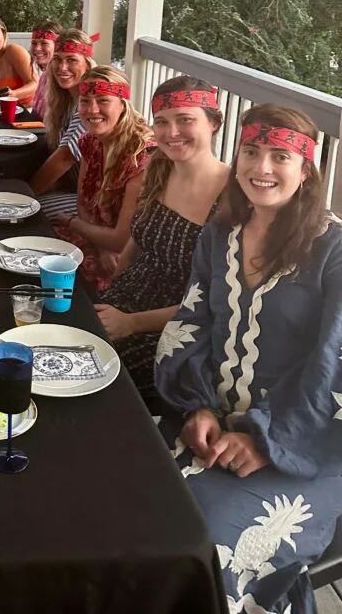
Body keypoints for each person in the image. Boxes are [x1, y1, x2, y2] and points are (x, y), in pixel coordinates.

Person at [155, 104, 342, 614]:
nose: (262, 168)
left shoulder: (333, 251)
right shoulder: (220, 236)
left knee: (204, 548)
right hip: (209, 423)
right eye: (251, 151)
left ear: (306, 170)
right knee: (124, 497)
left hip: (304, 446)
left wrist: (263, 439)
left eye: (280, 156)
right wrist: (195, 407)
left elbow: (334, 365)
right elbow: (192, 324)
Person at [93, 77, 229, 405]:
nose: (171, 133)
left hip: (176, 329)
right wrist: (107, 292)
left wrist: (131, 323)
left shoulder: (232, 197)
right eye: (162, 122)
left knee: (99, 381)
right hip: (123, 302)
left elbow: (215, 302)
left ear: (213, 122)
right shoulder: (159, 168)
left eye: (186, 120)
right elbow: (136, 240)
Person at [53, 66, 153, 292]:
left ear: (123, 104)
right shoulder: (91, 141)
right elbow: (83, 202)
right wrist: (99, 246)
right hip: (97, 242)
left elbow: (121, 240)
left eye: (103, 101)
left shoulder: (141, 155)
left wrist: (71, 222)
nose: (92, 109)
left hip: (129, 257)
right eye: (85, 101)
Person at [29, 29, 96, 217]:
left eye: (72, 60)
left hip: (95, 201)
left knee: (29, 210)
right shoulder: (64, 102)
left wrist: (26, 195)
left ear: (87, 64)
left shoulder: (91, 103)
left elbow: (65, 158)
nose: (62, 67)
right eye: (57, 59)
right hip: (72, 189)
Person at [29, 19, 64, 120]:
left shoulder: (63, 80)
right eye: (34, 43)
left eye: (44, 43)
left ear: (57, 46)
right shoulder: (44, 77)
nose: (37, 48)